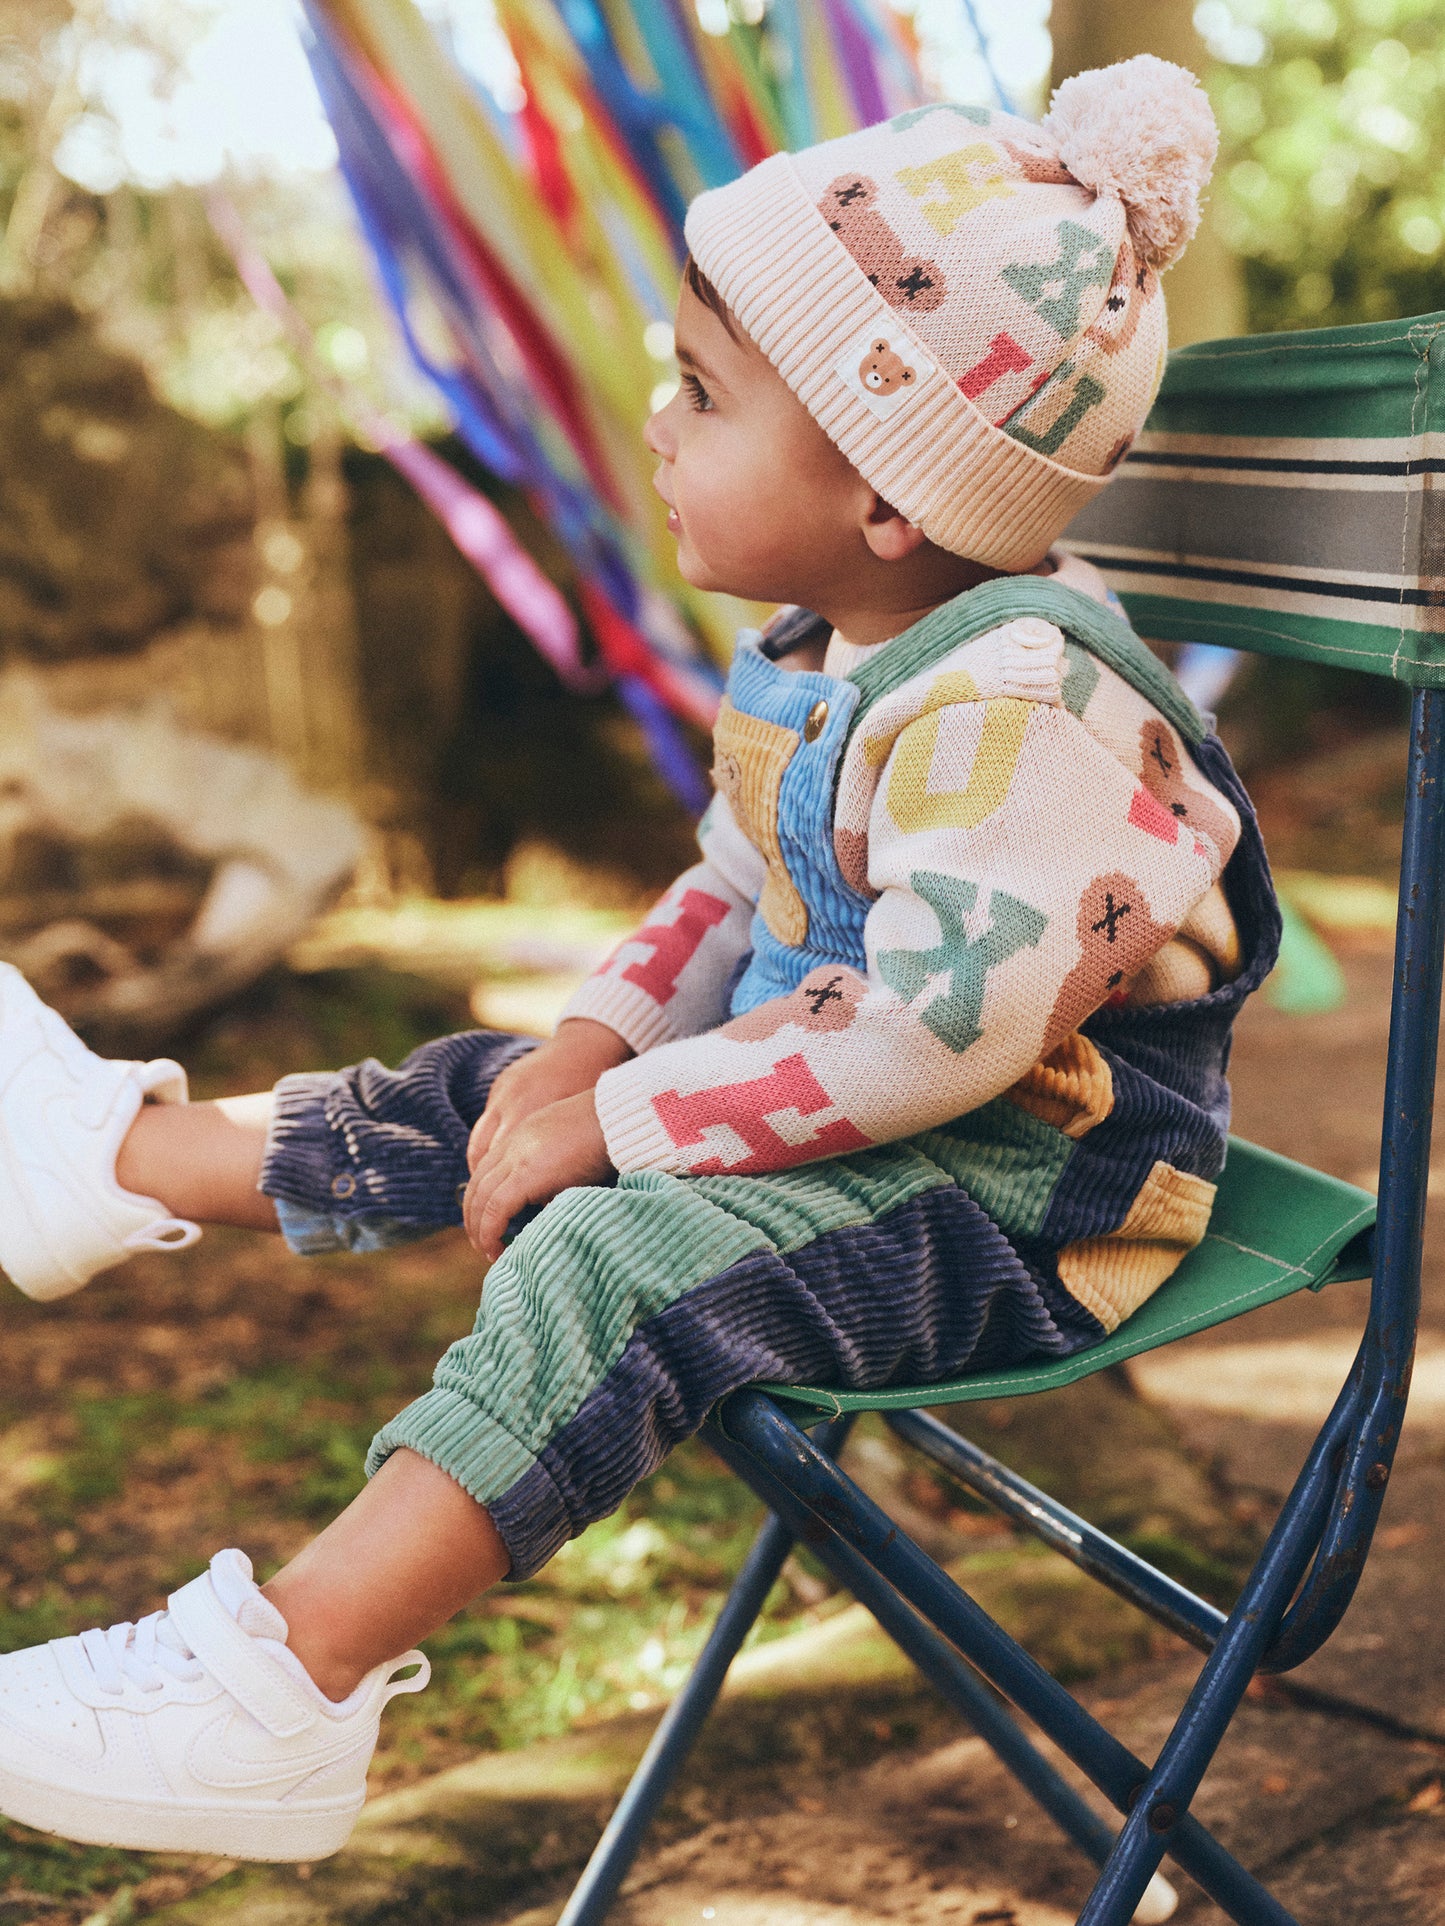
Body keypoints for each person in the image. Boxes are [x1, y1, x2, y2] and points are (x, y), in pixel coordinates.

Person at [0, 55, 1278, 1865]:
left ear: (889, 492)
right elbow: (732, 889)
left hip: (1025, 1193)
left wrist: (634, 1122)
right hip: (874, 1112)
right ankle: (107, 1166)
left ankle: (279, 1688)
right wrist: (594, 1046)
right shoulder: (830, 641)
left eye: (697, 393)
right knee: (500, 1088)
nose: (653, 426)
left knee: (617, 1240)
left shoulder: (1029, 706)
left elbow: (935, 1028)